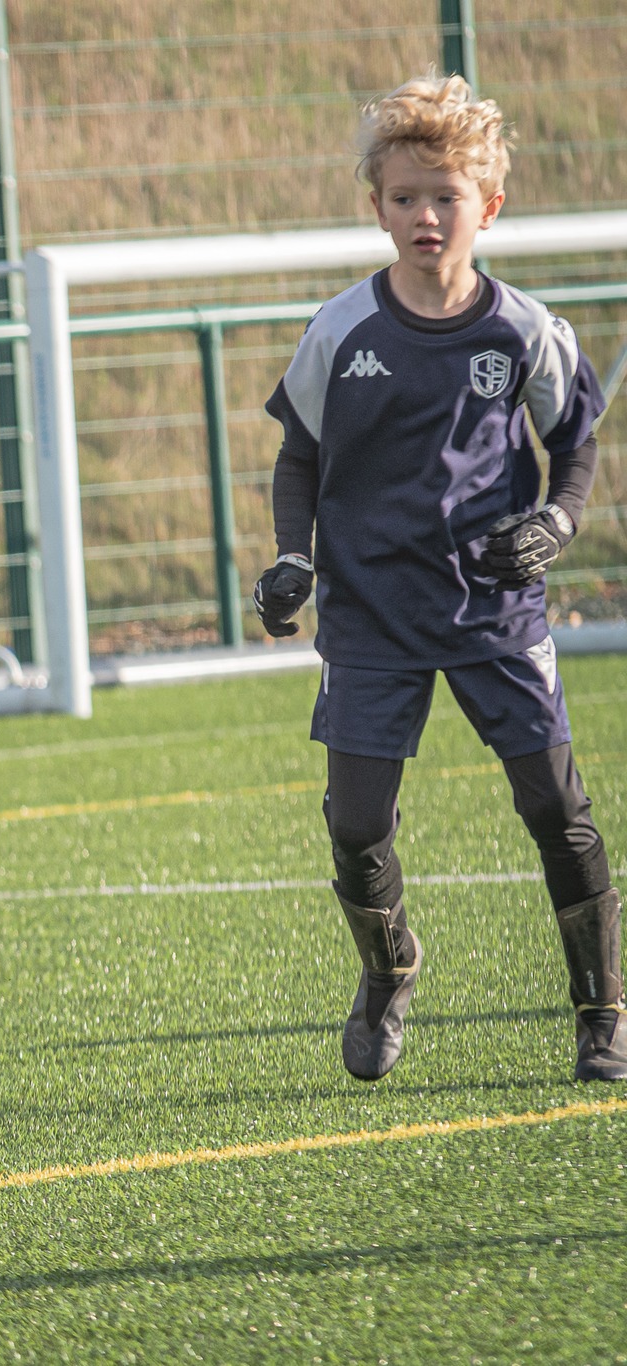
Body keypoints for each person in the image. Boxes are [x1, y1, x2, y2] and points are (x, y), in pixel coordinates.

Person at [252, 75, 616, 1084]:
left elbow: (574, 445)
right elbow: (297, 457)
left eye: (445, 197)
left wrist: (555, 520)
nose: (425, 216)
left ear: (487, 206)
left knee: (555, 809)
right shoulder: (340, 331)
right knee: (355, 824)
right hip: (371, 616)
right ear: (376, 206)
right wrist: (292, 557)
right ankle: (388, 969)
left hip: (494, 611)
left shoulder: (523, 330)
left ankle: (602, 1009)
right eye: (405, 196)